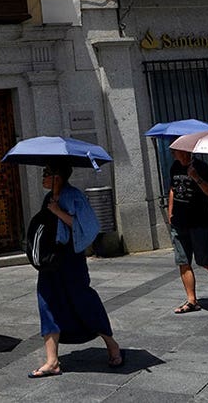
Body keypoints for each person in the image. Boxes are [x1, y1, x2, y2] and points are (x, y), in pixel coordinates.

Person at [29, 161, 123, 378]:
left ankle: (111, 344)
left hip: (70, 259)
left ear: (57, 177)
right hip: (50, 260)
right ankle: (52, 361)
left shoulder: (74, 196)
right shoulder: (48, 198)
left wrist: (58, 211)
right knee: (47, 302)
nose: (43, 176)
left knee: (82, 300)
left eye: (47, 172)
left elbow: (88, 226)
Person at [165, 149, 208, 313]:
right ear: (174, 154)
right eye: (180, 153)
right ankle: (192, 300)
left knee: (205, 261)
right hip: (179, 222)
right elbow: (173, 188)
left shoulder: (201, 167)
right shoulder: (174, 167)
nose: (184, 156)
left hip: (199, 222)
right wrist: (170, 212)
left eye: (187, 153)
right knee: (183, 260)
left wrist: (196, 177)